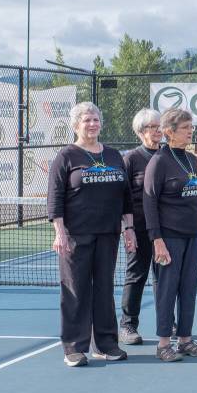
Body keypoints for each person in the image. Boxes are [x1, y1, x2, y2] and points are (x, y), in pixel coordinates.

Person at [47, 101, 133, 367]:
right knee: (75, 290)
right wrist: (60, 233)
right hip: (75, 235)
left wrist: (128, 229)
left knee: (104, 288)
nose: (93, 124)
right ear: (76, 125)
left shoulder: (114, 156)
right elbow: (55, 198)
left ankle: (106, 344)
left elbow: (126, 197)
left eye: (96, 119)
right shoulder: (66, 156)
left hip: (108, 234)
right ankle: (74, 347)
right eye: (87, 120)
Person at [145, 108, 197, 362]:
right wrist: (157, 240)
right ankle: (163, 344)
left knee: (189, 289)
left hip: (192, 236)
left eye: (191, 127)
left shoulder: (192, 159)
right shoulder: (159, 161)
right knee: (167, 290)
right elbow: (149, 202)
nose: (190, 131)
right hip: (168, 238)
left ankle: (185, 340)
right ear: (170, 132)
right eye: (186, 128)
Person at [118, 108, 162, 345]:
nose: (158, 131)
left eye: (159, 126)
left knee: (164, 278)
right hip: (139, 229)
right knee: (136, 276)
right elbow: (123, 198)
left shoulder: (168, 155)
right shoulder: (131, 159)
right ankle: (127, 325)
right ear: (141, 131)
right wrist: (129, 228)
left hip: (166, 231)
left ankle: (167, 323)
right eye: (152, 127)